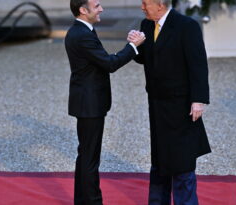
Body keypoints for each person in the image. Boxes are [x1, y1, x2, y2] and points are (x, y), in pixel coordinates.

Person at [64, 0, 145, 204]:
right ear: (83, 10)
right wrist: (133, 46)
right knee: (90, 159)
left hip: (86, 102)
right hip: (89, 105)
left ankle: (82, 200)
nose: (101, 9)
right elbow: (110, 64)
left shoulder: (80, 31)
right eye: (97, 5)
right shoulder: (82, 34)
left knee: (85, 156)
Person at [130, 0, 211, 204]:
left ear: (160, 4)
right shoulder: (146, 25)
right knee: (159, 158)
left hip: (181, 104)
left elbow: (198, 64)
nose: (142, 7)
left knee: (182, 160)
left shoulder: (187, 26)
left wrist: (198, 100)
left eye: (145, 3)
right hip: (156, 103)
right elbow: (147, 57)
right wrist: (134, 45)